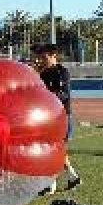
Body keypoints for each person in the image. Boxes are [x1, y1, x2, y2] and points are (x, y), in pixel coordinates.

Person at [35, 43, 81, 193]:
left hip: (62, 117)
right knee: (55, 150)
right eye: (40, 57)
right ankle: (72, 177)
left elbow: (64, 94)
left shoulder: (62, 72)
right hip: (49, 118)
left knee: (53, 150)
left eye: (44, 57)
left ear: (53, 56)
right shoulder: (43, 73)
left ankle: (51, 185)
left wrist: (48, 97)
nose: (41, 60)